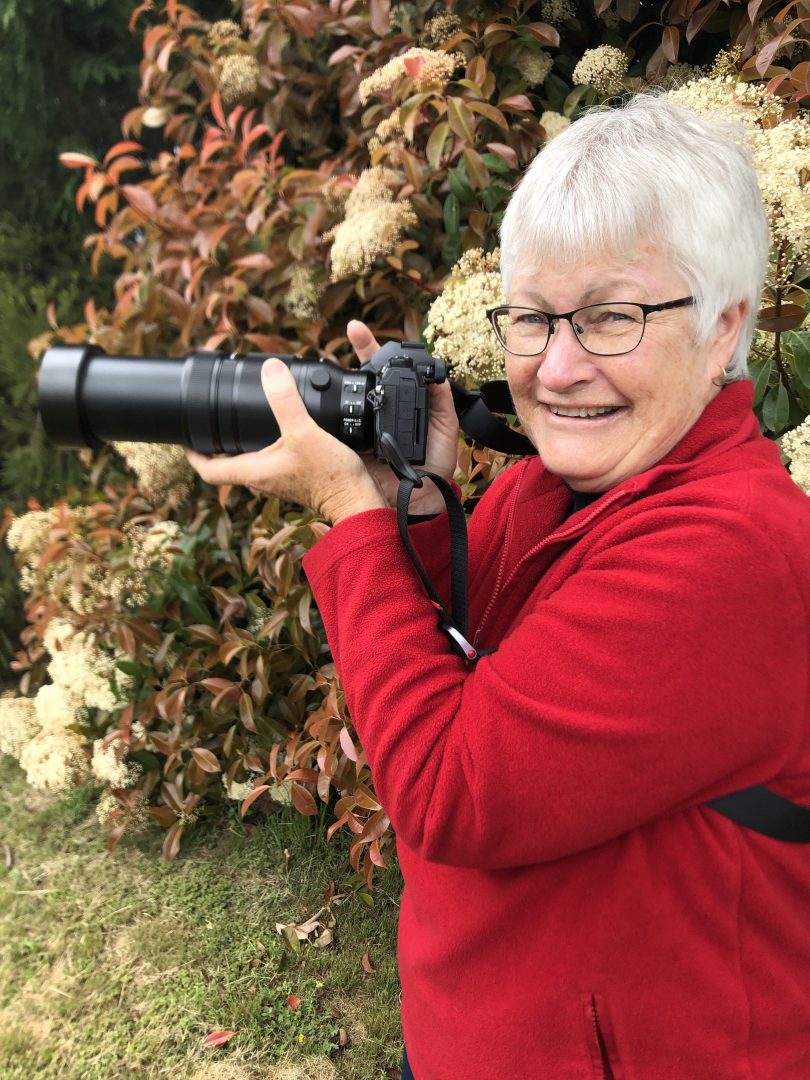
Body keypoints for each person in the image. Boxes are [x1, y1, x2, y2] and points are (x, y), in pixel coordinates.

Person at [185, 94, 810, 1079]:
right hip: (473, 1039)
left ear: (724, 329)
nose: (557, 369)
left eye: (610, 317)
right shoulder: (547, 488)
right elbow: (471, 675)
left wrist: (349, 516)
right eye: (531, 318)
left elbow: (449, 787)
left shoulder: (735, 551)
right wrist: (416, 504)